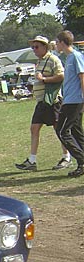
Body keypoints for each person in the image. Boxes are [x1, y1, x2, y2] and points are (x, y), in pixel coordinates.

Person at [15, 35, 70, 171]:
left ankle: (66, 157)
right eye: (32, 47)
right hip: (41, 102)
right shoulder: (39, 62)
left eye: (37, 47)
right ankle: (32, 160)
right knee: (34, 128)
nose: (34, 49)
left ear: (45, 47)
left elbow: (61, 76)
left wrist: (44, 79)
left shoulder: (53, 59)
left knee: (59, 129)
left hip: (52, 101)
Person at [54, 30, 84, 178]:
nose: (55, 45)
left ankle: (81, 159)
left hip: (75, 101)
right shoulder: (69, 58)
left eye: (57, 42)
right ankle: (82, 164)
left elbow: (82, 77)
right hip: (69, 99)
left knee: (62, 131)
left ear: (62, 42)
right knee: (76, 131)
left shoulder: (76, 56)